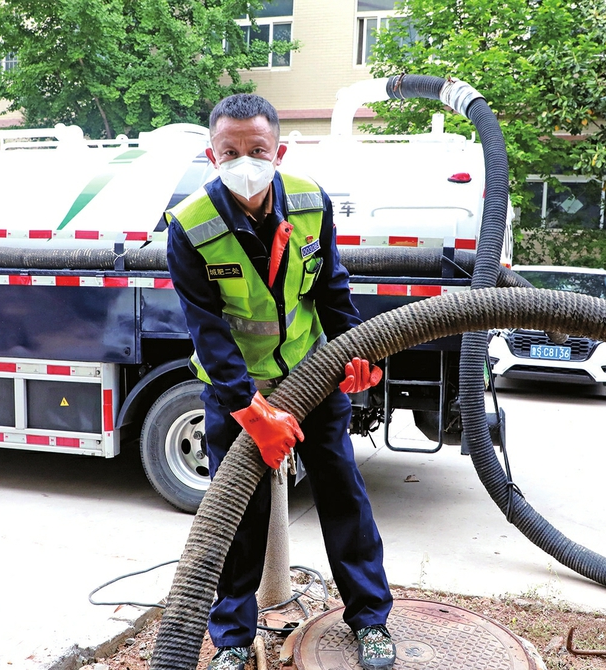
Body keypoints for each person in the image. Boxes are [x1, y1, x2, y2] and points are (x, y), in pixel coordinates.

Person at [165, 93, 396, 670]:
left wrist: (358, 353)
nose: (246, 160)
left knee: (342, 494)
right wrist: (250, 410)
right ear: (211, 156)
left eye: (257, 149)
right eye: (231, 151)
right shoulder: (190, 225)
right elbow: (208, 329)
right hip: (239, 391)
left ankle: (370, 621)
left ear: (278, 150)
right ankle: (234, 640)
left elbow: (331, 289)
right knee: (236, 514)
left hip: (311, 377)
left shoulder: (311, 203)